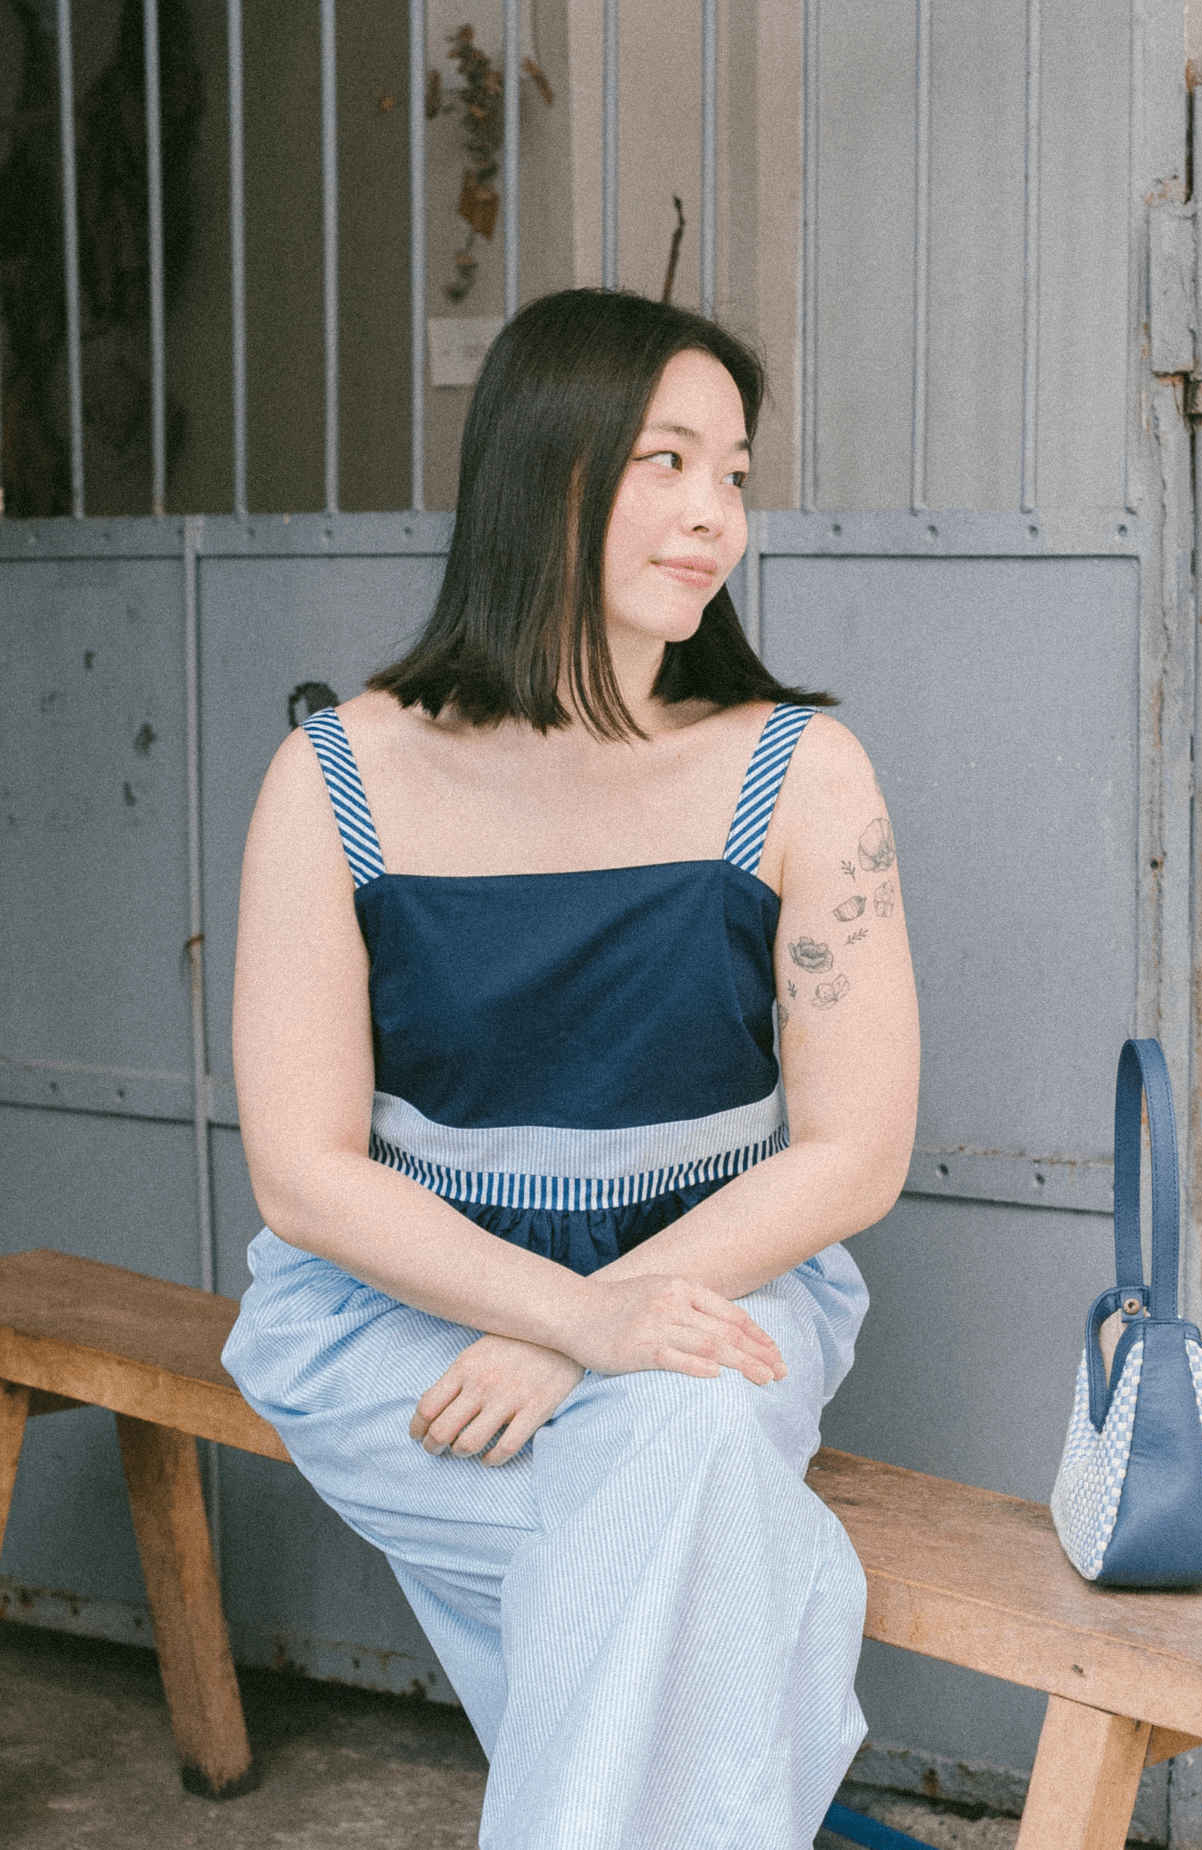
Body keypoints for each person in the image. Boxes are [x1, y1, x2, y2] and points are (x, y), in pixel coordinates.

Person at [223, 286, 920, 1850]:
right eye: (668, 461)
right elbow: (305, 1172)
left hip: (718, 1290)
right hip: (399, 1318)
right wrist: (570, 1317)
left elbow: (855, 1152)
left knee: (682, 1437)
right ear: (546, 469)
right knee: (714, 1531)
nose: (717, 514)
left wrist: (592, 1334)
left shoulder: (797, 772)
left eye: (735, 472)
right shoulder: (337, 779)